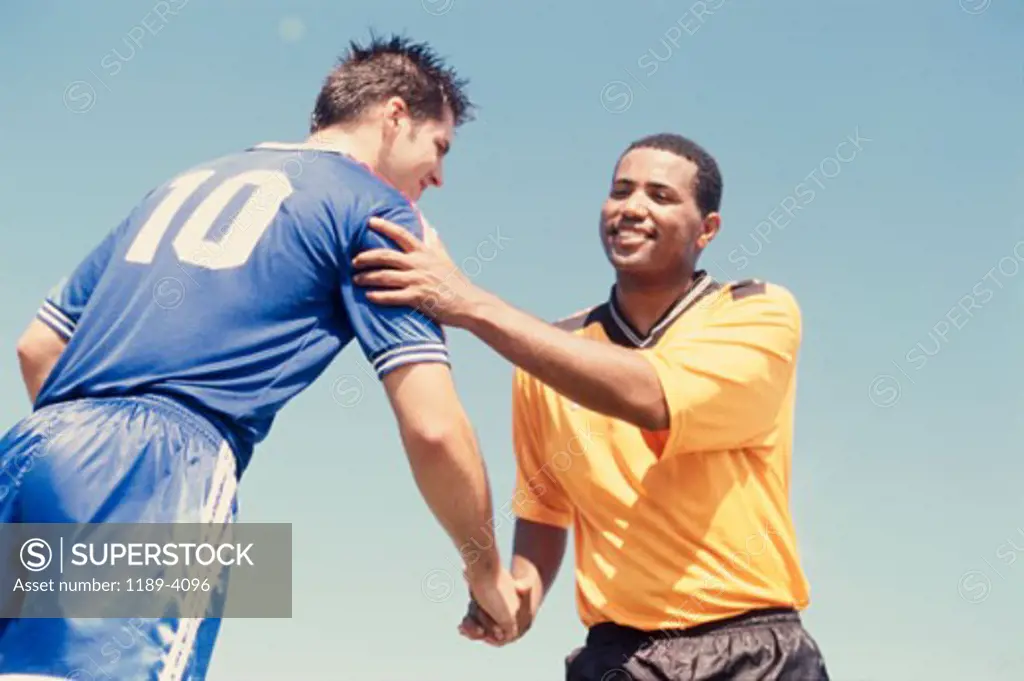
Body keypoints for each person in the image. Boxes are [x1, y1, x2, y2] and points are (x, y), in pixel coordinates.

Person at [0, 33, 520, 680]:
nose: (439, 175)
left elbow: (37, 345)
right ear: (394, 116)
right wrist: (487, 571)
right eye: (438, 147)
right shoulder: (381, 212)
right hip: (156, 473)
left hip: (30, 449)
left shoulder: (183, 183)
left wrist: (78, 465)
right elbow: (435, 425)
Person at [350, 133, 831, 680]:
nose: (633, 208)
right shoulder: (549, 354)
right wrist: (518, 596)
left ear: (707, 229)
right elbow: (544, 506)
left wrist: (469, 302)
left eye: (660, 196)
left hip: (751, 652)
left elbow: (652, 395)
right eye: (621, 191)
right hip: (618, 659)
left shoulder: (756, 312)